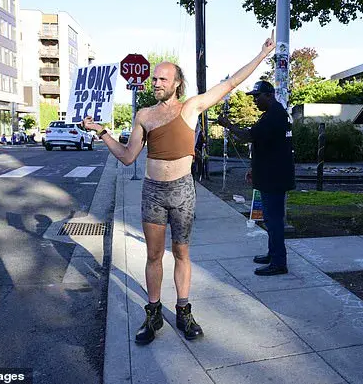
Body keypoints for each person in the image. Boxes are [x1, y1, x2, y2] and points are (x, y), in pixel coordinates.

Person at [82, 32, 275, 345]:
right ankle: (153, 312)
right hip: (153, 192)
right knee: (154, 255)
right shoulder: (144, 115)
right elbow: (128, 157)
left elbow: (230, 84)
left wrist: (262, 55)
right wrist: (101, 132)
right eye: (154, 79)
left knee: (182, 253)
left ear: (177, 83)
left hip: (182, 191)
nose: (156, 83)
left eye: (162, 79)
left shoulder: (191, 107)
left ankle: (183, 311)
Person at [217, 80, 295, 276]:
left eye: (257, 97)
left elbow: (249, 136)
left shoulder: (274, 115)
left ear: (269, 95)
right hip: (270, 174)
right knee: (270, 218)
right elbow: (266, 145)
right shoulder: (272, 114)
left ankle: (279, 262)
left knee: (274, 220)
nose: (255, 101)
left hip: (274, 177)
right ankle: (273, 254)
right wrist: (255, 168)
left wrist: (229, 125)